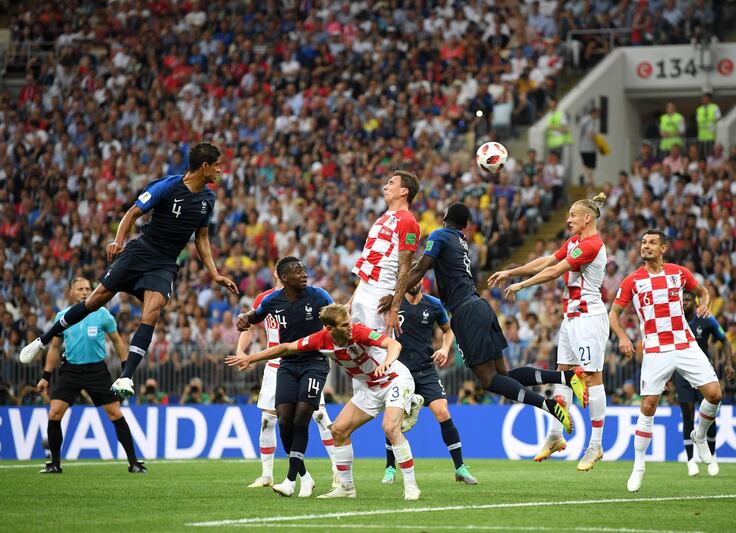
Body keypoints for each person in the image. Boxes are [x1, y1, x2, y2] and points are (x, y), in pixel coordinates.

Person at [20, 142, 239, 400]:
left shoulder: (208, 199)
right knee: (94, 300)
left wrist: (214, 273)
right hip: (140, 251)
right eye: (217, 165)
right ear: (205, 166)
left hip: (165, 264)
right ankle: (43, 340)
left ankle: (126, 377)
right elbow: (133, 213)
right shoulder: (167, 186)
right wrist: (118, 241)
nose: (220, 170)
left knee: (153, 311)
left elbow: (201, 237)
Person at [380, 202, 586, 435]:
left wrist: (394, 297)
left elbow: (421, 269)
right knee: (503, 376)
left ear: (445, 217)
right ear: (466, 225)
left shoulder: (440, 235)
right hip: (480, 306)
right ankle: (566, 376)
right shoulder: (460, 240)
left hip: (466, 313)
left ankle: (549, 405)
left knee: (489, 381)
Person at [227, 303, 424, 501]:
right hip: (370, 389)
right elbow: (286, 348)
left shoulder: (359, 332)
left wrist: (388, 362)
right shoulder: (321, 340)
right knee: (337, 431)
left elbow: (394, 344)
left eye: (349, 322)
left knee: (390, 428)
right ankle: (346, 488)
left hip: (394, 379)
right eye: (344, 324)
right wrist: (251, 358)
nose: (350, 327)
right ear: (330, 329)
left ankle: (411, 487)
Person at [492, 193, 609, 471]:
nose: (568, 219)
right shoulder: (574, 242)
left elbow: (556, 270)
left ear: (587, 218)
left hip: (589, 318)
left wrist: (522, 286)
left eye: (572, 215)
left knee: (592, 378)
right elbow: (547, 260)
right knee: (563, 374)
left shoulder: (592, 244)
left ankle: (596, 445)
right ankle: (555, 436)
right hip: (571, 319)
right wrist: (513, 272)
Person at [608, 230, 723, 493]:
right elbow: (613, 315)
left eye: (651, 243)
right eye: (643, 242)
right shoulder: (632, 281)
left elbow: (703, 292)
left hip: (685, 343)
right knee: (648, 406)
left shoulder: (679, 273)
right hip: (656, 349)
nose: (645, 246)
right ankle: (638, 467)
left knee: (715, 394)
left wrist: (705, 304)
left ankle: (700, 435)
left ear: (663, 249)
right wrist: (623, 337)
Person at [234, 257, 336, 497]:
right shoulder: (267, 299)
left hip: (312, 361)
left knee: (315, 416)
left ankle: (335, 471)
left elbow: (337, 317)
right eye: (297, 271)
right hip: (278, 363)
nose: (303, 274)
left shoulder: (317, 295)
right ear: (281, 275)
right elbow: (252, 319)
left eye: (304, 270)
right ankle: (273, 475)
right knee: (276, 420)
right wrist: (241, 348)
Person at [35, 277, 145, 474]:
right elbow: (54, 348)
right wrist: (46, 376)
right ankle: (55, 464)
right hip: (70, 370)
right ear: (71, 293)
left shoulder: (103, 314)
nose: (85, 291)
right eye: (80, 289)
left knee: (115, 414)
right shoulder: (62, 316)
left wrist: (125, 372)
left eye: (88, 288)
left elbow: (118, 341)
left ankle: (134, 462)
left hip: (96, 370)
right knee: (54, 413)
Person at [381, 282, 478, 486]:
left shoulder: (433, 304)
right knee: (394, 419)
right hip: (400, 370)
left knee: (442, 411)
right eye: (411, 278)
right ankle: (390, 468)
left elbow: (448, 329)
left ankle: (460, 467)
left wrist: (444, 348)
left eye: (418, 279)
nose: (415, 283)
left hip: (425, 369)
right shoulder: (394, 304)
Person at [350, 170, 420, 337]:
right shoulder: (382, 217)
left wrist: (395, 307)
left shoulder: (408, 221)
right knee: (356, 347)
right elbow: (368, 263)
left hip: (380, 292)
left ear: (404, 191)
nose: (385, 187)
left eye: (391, 183)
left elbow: (405, 267)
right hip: (363, 289)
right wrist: (353, 299)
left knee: (379, 352)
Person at [675, 292, 735, 478]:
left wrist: (729, 363)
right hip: (681, 374)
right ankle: (691, 461)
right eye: (683, 300)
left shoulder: (706, 319)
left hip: (703, 373)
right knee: (687, 414)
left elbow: (724, 339)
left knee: (709, 414)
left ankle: (713, 455)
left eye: (689, 300)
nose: (685, 303)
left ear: (696, 301)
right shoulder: (674, 320)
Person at [578, 107, 599, 188]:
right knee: (591, 166)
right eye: (597, 113)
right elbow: (589, 134)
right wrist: (597, 143)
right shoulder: (590, 121)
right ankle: (590, 181)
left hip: (582, 147)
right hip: (589, 147)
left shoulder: (584, 120)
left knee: (585, 165)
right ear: (594, 113)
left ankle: (585, 178)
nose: (598, 115)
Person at [695, 92, 721, 158]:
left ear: (709, 99)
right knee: (702, 155)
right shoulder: (699, 109)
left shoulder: (715, 107)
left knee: (710, 155)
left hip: (711, 136)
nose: (704, 100)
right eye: (703, 99)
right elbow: (698, 122)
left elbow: (718, 119)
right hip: (701, 136)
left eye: (706, 99)